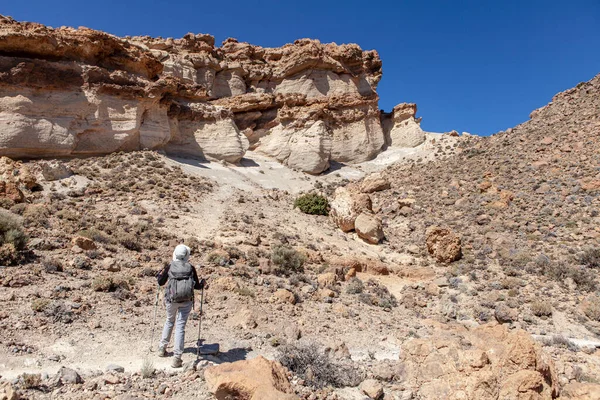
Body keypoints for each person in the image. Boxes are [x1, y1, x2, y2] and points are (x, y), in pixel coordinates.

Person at [156, 244, 205, 368]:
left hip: (171, 299)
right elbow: (197, 286)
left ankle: (162, 348)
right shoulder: (190, 267)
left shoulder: (170, 266)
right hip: (186, 301)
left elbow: (161, 282)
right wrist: (203, 284)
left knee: (169, 321)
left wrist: (159, 276)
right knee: (180, 326)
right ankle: (177, 358)